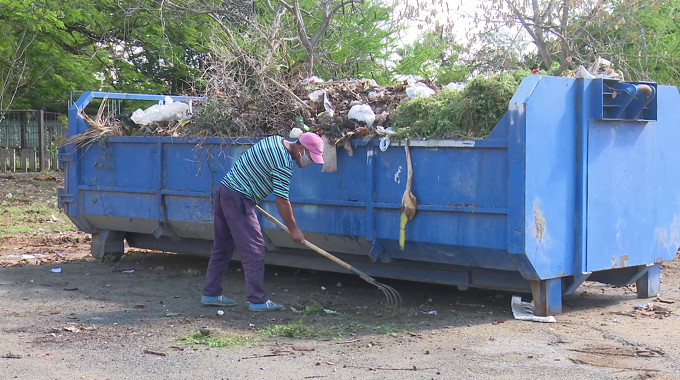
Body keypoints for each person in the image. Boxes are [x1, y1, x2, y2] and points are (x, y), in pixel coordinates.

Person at [201, 132, 325, 312]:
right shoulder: (283, 163)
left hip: (225, 191)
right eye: (311, 157)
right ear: (301, 149)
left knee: (222, 246)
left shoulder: (274, 140)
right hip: (239, 198)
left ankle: (211, 293)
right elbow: (282, 201)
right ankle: (257, 300)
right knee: (254, 249)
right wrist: (294, 229)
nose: (310, 162)